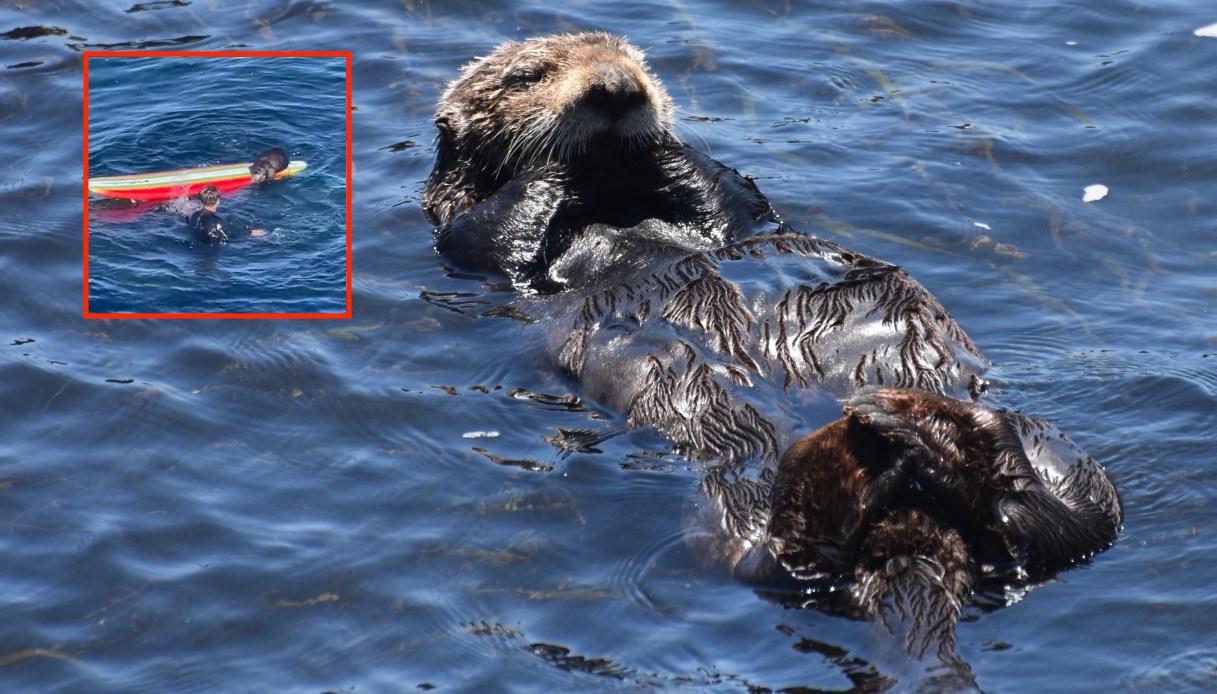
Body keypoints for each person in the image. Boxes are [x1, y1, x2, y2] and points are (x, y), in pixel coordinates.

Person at [186, 185, 266, 243]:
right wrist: (250, 233)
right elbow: (232, 236)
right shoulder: (218, 222)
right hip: (211, 247)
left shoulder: (194, 215)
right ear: (218, 201)